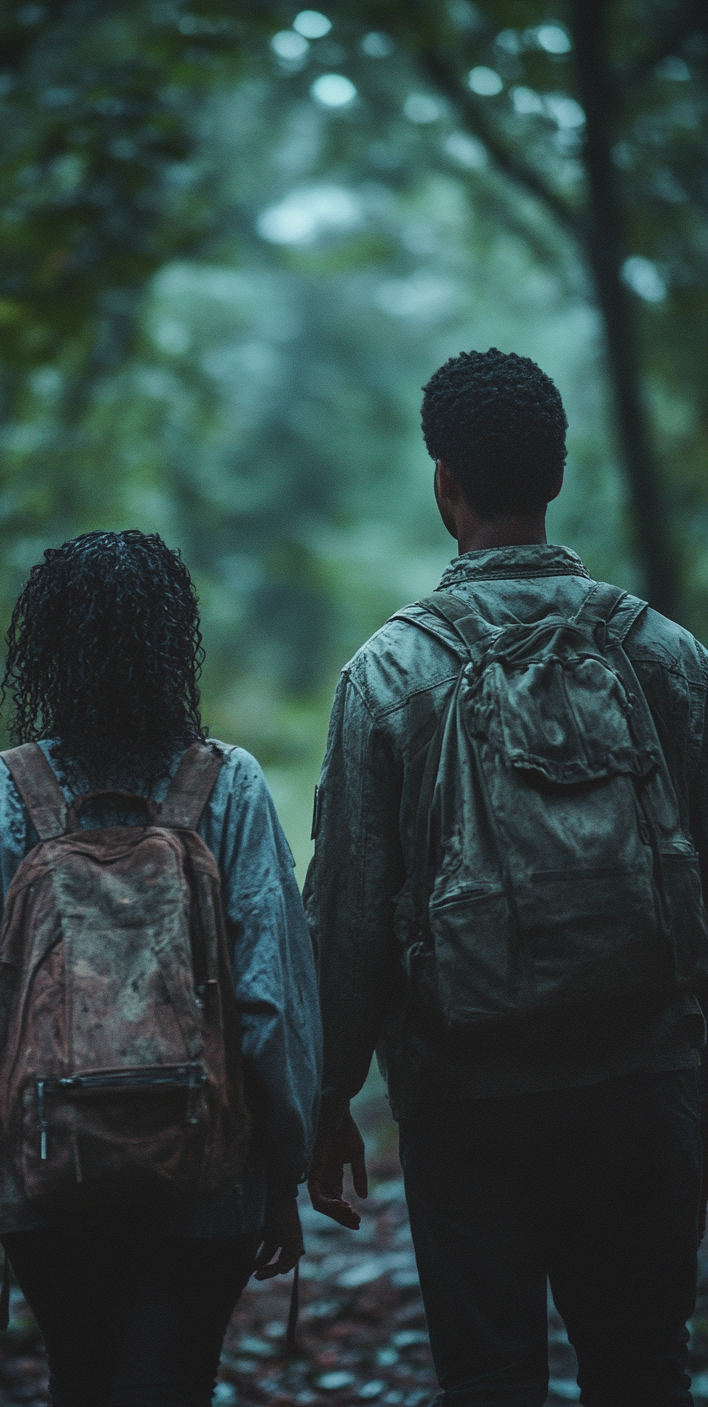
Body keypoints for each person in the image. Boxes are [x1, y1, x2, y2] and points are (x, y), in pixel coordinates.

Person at [305, 348, 708, 1407]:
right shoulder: (662, 653)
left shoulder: (389, 672)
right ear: (555, 474)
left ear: (444, 482)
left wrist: (322, 1095)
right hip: (645, 1077)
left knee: (488, 1380)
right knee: (645, 1367)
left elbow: (348, 902)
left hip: (466, 1094)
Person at [0, 529, 322, 1407]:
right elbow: (270, 1008)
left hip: (45, 1174)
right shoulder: (230, 787)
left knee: (83, 1379)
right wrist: (285, 1176)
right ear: (175, 644)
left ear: (45, 651)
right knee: (172, 1383)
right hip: (208, 1180)